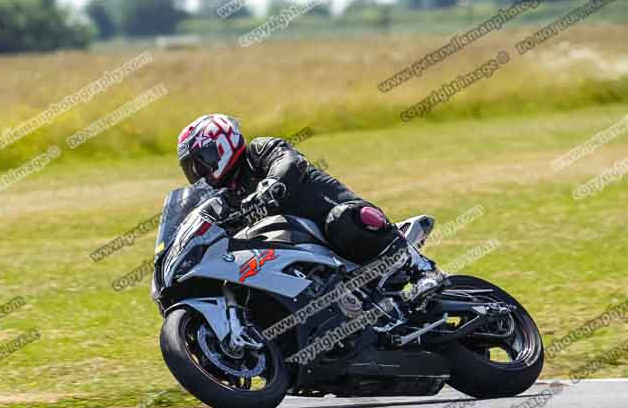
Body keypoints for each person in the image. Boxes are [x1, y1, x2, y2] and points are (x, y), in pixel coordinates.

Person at [176, 113, 444, 306]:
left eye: (201, 162)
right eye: (192, 169)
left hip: (340, 220)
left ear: (221, 145)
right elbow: (206, 222)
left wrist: (270, 186)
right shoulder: (227, 198)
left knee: (343, 220)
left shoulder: (257, 152)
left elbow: (289, 161)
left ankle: (425, 270)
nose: (199, 173)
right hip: (307, 251)